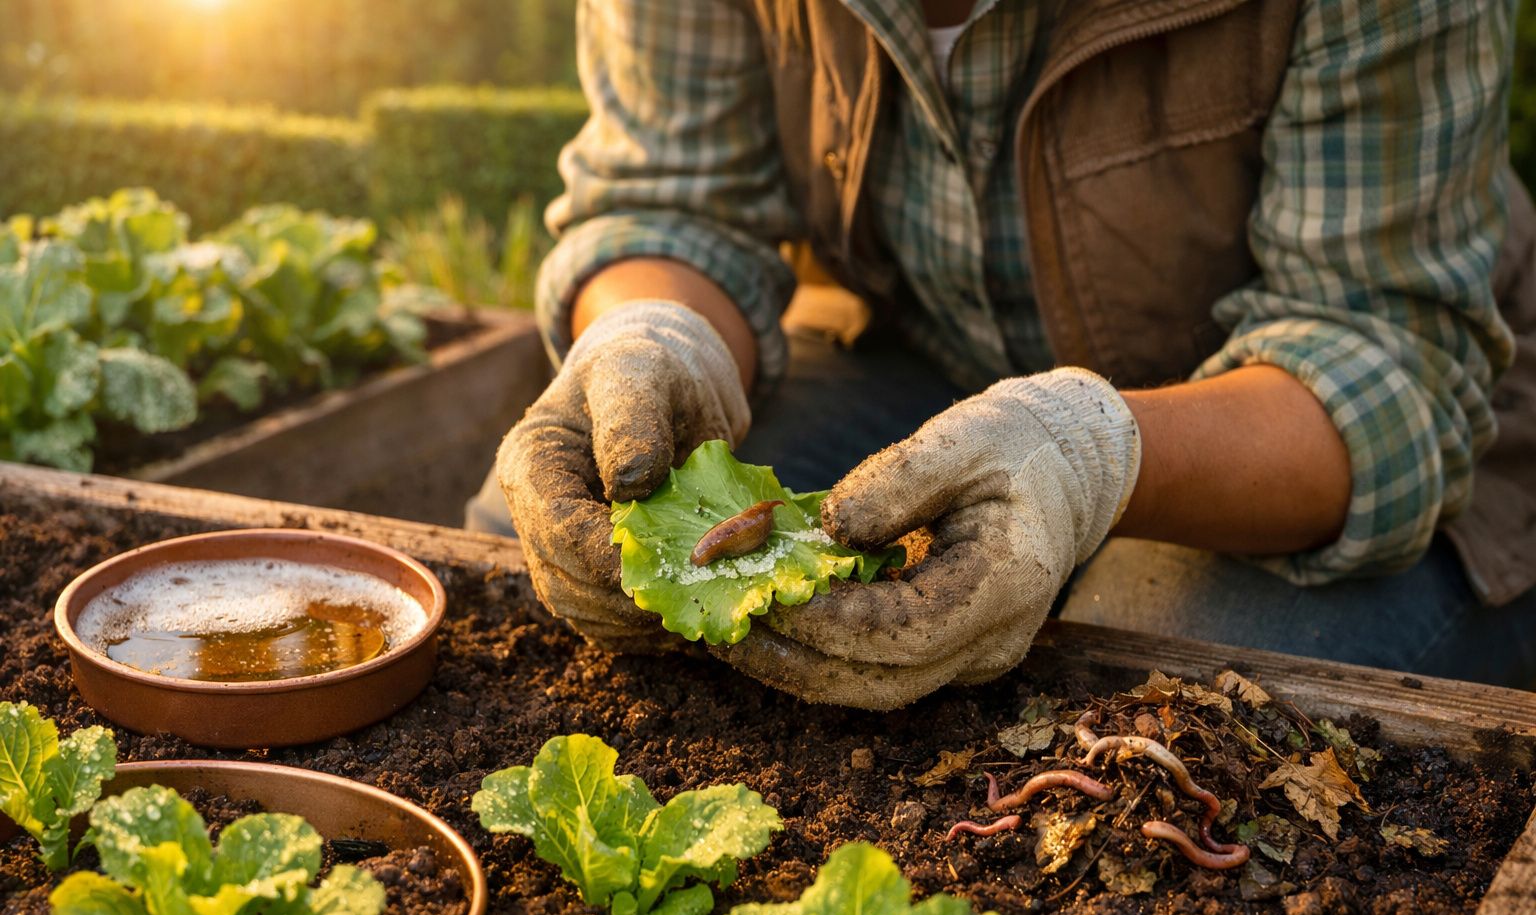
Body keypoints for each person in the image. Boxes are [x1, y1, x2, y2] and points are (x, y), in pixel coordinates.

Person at [468, 0, 1536, 706]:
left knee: (1128, 701)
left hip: (1295, 432)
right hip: (926, 351)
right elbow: (671, 198)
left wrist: (1082, 451)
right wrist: (657, 332)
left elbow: (1377, 356)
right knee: (548, 547)